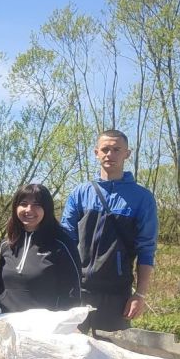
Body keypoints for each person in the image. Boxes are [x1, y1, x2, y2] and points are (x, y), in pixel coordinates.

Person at [61, 129, 158, 331]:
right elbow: (65, 240)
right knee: (70, 354)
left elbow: (146, 250)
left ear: (127, 154)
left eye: (116, 149)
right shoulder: (81, 193)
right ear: (96, 153)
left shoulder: (142, 198)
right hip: (78, 290)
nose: (110, 154)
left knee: (112, 357)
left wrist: (139, 295)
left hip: (117, 295)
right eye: (105, 149)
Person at [0, 184, 81, 313]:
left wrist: (67, 322)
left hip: (44, 326)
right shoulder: (7, 244)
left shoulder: (61, 243)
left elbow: (73, 290)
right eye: (23, 203)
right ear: (16, 207)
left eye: (37, 204)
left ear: (47, 209)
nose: (29, 209)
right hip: (6, 321)